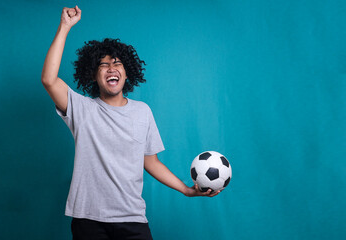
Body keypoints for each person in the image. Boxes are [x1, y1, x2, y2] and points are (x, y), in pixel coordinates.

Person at [41, 6, 220, 240]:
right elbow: (49, 79)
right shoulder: (82, 108)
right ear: (94, 76)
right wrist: (64, 27)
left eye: (117, 63)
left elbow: (151, 162)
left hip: (132, 218)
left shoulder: (142, 112)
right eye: (103, 65)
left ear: (127, 73)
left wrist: (186, 190)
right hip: (88, 219)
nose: (111, 68)